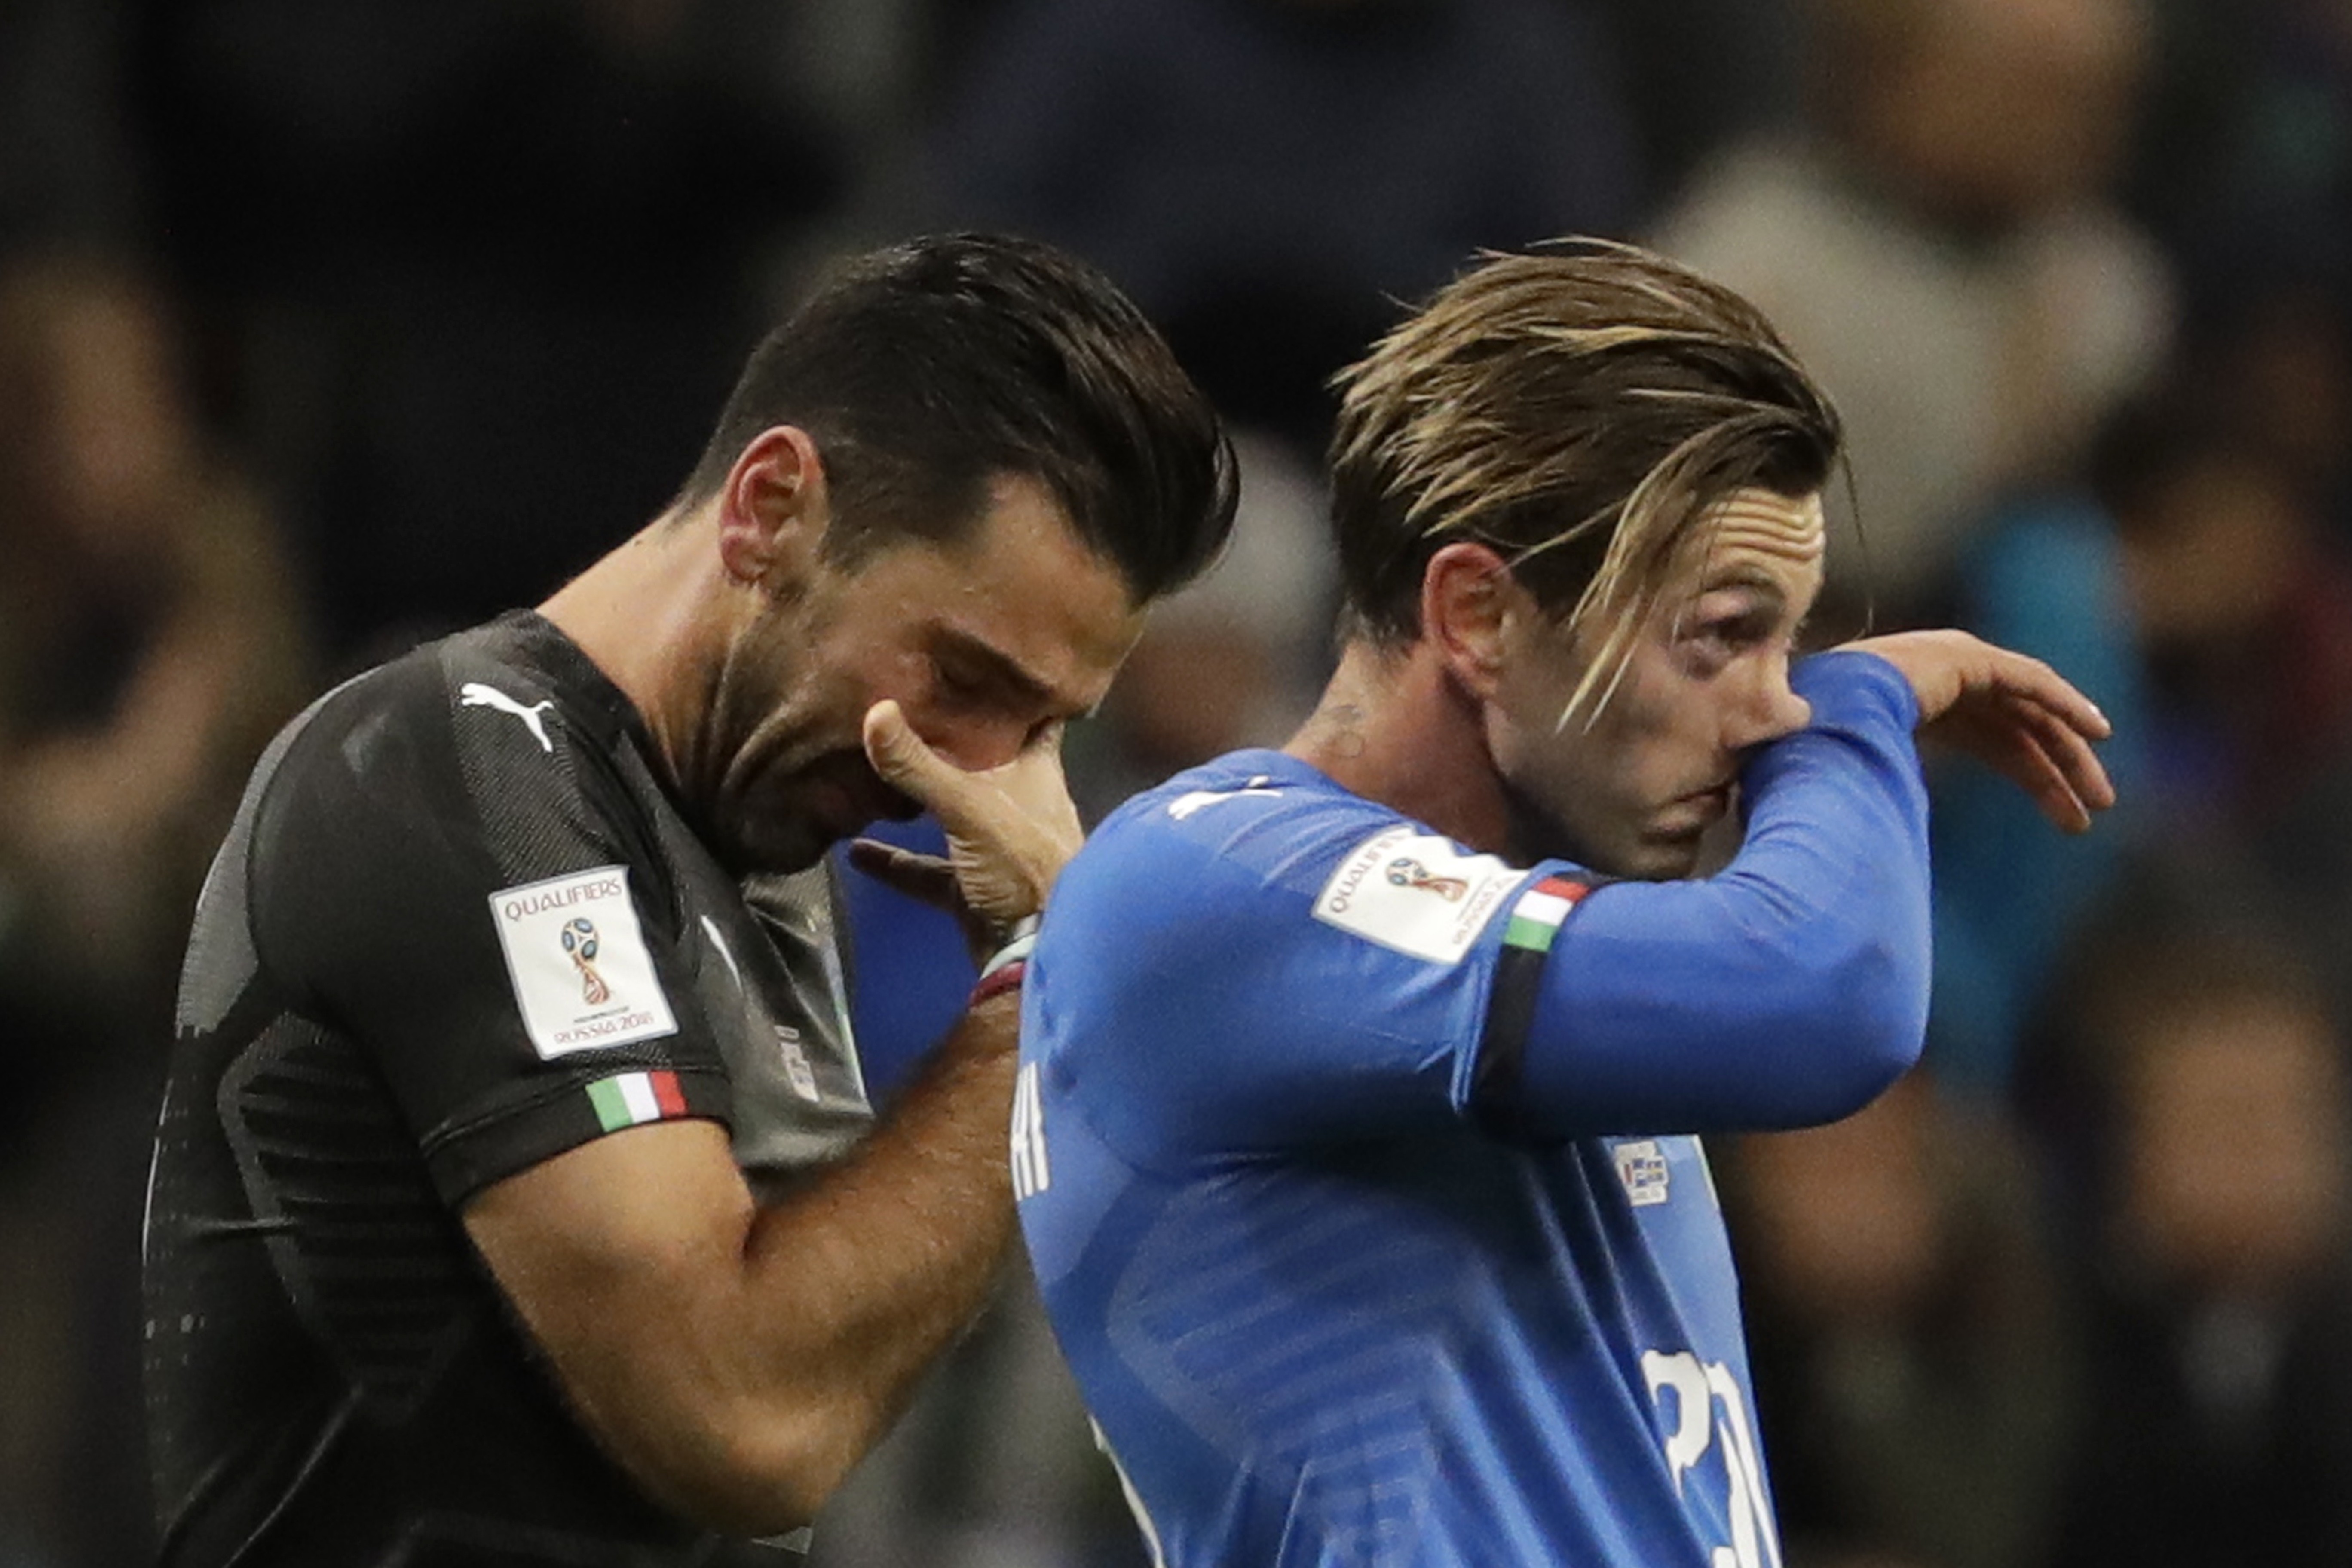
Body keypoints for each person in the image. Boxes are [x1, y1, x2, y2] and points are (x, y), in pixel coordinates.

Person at [140, 232, 1238, 1568]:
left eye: (1046, 729)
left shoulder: (761, 851)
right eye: (965, 674)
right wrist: (1044, 998)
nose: (982, 773)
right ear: (770, 507)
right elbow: (742, 1423)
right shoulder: (464, 773)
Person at [1013, 242, 2114, 1565]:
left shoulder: (1534, 950)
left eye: (1798, 643)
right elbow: (1825, 995)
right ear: (1480, 615)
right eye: (1722, 635)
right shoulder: (1215, 874)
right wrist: (1863, 715)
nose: (1777, 710)